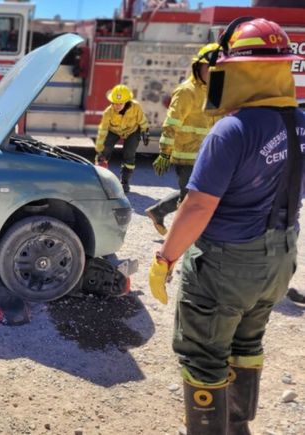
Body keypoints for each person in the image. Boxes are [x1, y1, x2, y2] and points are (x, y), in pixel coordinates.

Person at [148, 18, 304, 434]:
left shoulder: (231, 130)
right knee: (247, 343)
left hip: (227, 268)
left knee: (203, 355)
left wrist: (166, 258)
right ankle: (237, 426)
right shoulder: (301, 124)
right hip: (280, 259)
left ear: (233, 69)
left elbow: (197, 207)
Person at [145, 43, 220, 235]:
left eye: (218, 68)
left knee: (197, 195)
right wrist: (164, 152)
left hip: (206, 154)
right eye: (208, 68)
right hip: (185, 154)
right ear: (198, 68)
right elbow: (172, 122)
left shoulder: (216, 90)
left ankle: (157, 212)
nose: (213, 72)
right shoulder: (187, 91)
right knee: (192, 200)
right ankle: (184, 238)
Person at [95, 84, 150, 193]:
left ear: (127, 101)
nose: (117, 106)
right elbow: (103, 130)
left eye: (120, 103)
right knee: (104, 152)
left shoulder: (136, 107)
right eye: (115, 103)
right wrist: (100, 147)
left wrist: (145, 131)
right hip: (114, 131)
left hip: (132, 131)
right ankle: (99, 180)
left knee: (129, 155)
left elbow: (142, 120)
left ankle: (124, 182)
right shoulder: (108, 112)